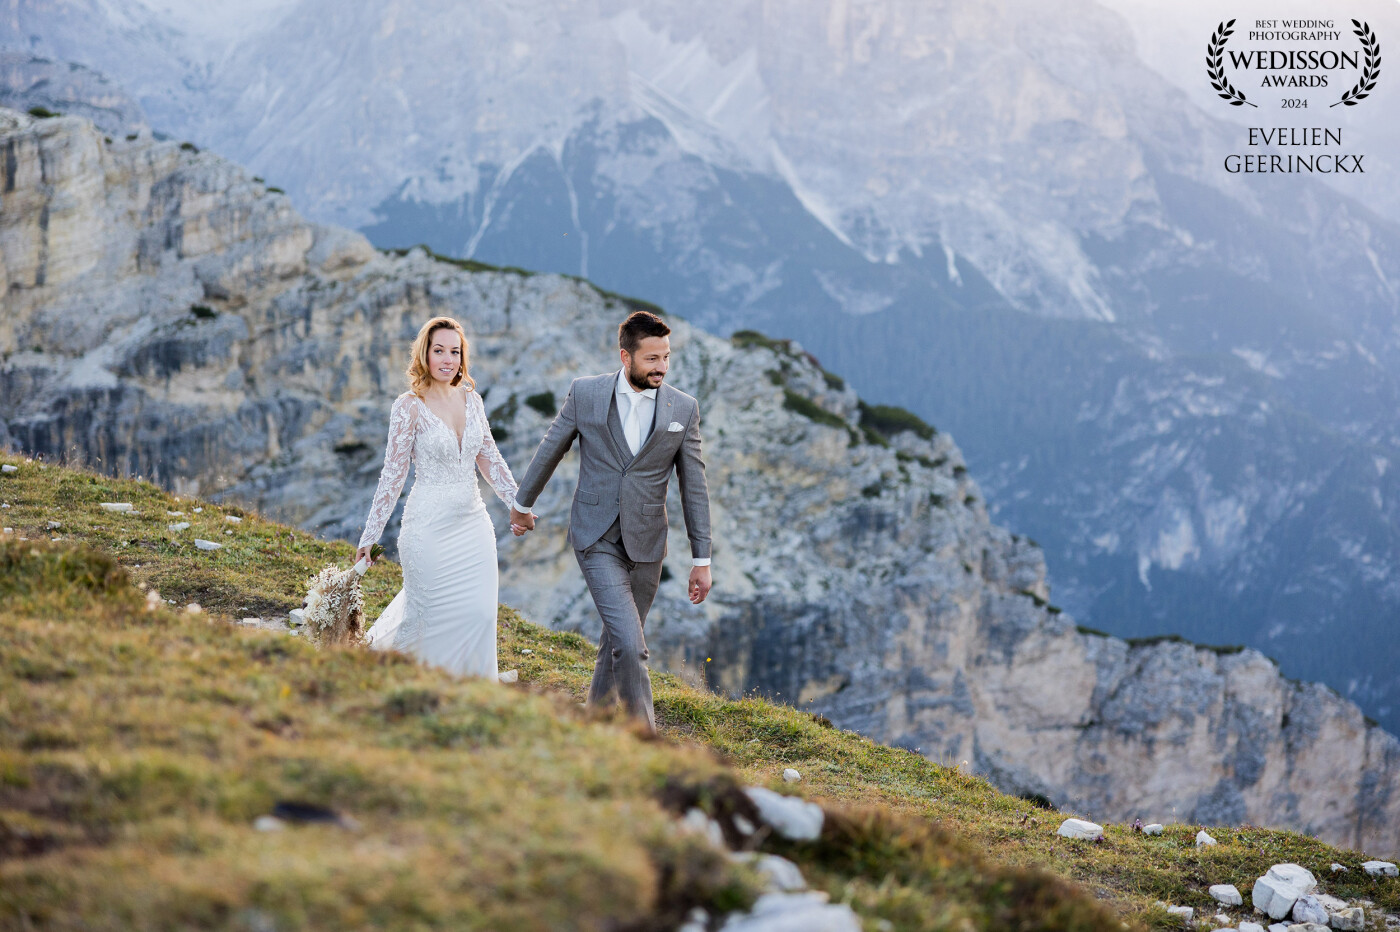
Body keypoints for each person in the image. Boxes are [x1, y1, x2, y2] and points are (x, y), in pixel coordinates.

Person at [509, 310, 712, 733]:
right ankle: (646, 742)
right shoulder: (586, 393)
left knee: (616, 643)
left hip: (647, 544)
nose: (661, 367)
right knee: (632, 646)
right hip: (595, 535)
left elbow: (694, 486)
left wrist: (701, 559)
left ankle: (592, 727)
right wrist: (521, 503)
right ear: (625, 356)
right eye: (651, 358)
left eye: (666, 357)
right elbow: (551, 448)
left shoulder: (683, 408)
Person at [354, 316, 529, 678]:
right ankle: (411, 685)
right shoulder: (409, 406)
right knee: (429, 618)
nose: (448, 360)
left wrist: (518, 505)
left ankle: (472, 690)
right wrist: (369, 536)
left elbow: (490, 458)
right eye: (439, 351)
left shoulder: (472, 400)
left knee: (480, 614)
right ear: (425, 354)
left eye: (455, 351)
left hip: (473, 524)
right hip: (427, 528)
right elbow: (392, 476)